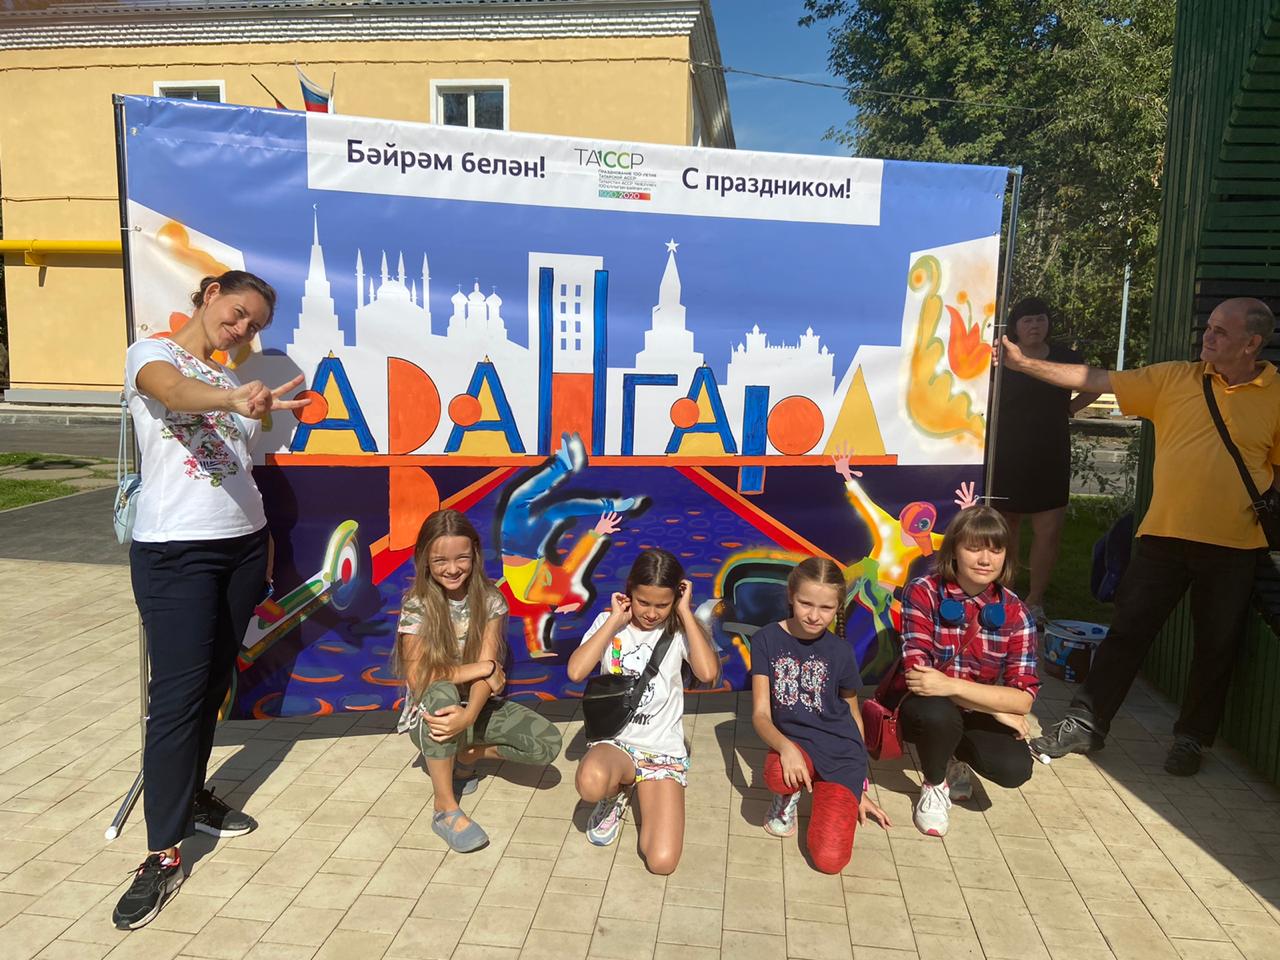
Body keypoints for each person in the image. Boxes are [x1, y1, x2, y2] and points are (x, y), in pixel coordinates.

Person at [1005, 297, 1280, 776]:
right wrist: (1024, 364)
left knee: (1216, 648)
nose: (1207, 336)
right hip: (1163, 538)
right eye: (1209, 327)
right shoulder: (1174, 378)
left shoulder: (1275, 395)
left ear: (1251, 343)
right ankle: (1086, 722)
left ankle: (1191, 738)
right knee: (1126, 633)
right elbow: (1094, 379)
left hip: (1235, 546)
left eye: (1220, 331)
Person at [114, 271, 310, 930]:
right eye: (238, 313)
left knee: (214, 684)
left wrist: (264, 541)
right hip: (177, 553)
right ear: (210, 294)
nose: (242, 329)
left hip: (243, 549)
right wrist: (234, 398)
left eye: (254, 325)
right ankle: (161, 853)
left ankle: (193, 797)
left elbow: (239, 471)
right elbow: (174, 394)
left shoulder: (231, 380)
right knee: (175, 698)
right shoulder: (153, 354)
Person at [394, 509, 563, 852]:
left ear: (474, 553)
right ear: (424, 558)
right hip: (430, 717)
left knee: (547, 743)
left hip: (474, 707)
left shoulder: (491, 601)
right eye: (440, 560)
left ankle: (468, 756)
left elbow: (487, 675)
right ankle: (444, 808)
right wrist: (481, 668)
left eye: (461, 558)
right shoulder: (417, 604)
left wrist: (470, 714)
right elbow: (419, 675)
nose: (452, 568)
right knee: (441, 693)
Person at [568, 549, 720, 874]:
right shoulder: (608, 623)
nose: (651, 613)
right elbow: (576, 671)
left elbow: (707, 673)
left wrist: (685, 612)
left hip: (661, 750)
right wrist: (614, 621)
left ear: (676, 597)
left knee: (661, 862)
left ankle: (642, 785)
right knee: (591, 783)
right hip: (616, 742)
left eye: (662, 605)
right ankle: (615, 795)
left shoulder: (680, 630)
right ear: (630, 592)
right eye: (643, 602)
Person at [898, 507, 1039, 837]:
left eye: (996, 550)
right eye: (974, 548)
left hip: (968, 704)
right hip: (926, 705)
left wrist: (966, 695)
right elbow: (920, 678)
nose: (986, 559)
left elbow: (1023, 700)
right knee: (937, 714)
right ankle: (934, 785)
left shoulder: (1016, 612)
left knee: (1014, 768)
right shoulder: (923, 591)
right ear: (954, 551)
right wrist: (995, 706)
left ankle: (953, 758)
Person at [750, 558, 891, 873]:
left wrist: (858, 785)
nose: (814, 616)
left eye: (826, 608)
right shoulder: (766, 640)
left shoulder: (841, 651)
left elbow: (852, 712)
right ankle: (787, 798)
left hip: (840, 753)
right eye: (806, 603)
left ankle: (827, 792)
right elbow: (760, 714)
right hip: (797, 744)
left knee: (830, 861)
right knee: (778, 773)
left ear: (838, 607)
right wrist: (786, 747)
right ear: (791, 596)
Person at [990, 297, 1100, 626]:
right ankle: (1005, 595)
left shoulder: (1067, 358)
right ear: (1015, 327)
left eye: (1040, 319)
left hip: (1051, 451)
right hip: (1008, 451)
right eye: (1027, 320)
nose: (1035, 325)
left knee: (1049, 530)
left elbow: (1094, 384)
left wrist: (1071, 408)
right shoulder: (1001, 358)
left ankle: (1035, 600)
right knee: (1006, 526)